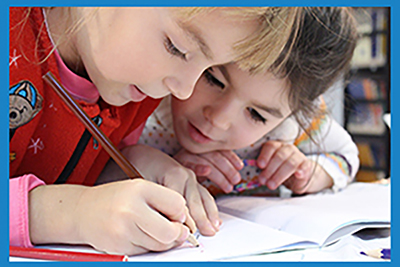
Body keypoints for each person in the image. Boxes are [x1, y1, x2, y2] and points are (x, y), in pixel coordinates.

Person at [9, 7, 301, 255]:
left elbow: (66, 172)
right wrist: (71, 214)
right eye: (178, 48)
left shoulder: (134, 91)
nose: (185, 91)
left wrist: (128, 164)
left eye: (209, 67)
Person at [137, 7, 359, 197]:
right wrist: (156, 167)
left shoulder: (294, 127)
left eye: (256, 115)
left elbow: (346, 155)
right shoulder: (144, 97)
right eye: (213, 80)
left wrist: (311, 173)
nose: (219, 119)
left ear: (294, 113)